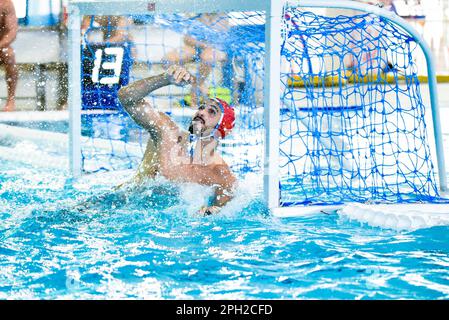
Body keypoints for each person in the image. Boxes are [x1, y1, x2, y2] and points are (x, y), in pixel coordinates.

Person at [117, 65, 236, 216]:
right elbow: (126, 98)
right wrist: (164, 79)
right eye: (201, 107)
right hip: (121, 204)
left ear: (222, 129)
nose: (201, 112)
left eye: (211, 111)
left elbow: (222, 213)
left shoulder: (222, 177)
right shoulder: (167, 132)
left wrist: (209, 213)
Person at [164, 13, 228, 106]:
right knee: (168, 59)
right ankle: (195, 83)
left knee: (208, 57)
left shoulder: (222, 17)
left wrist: (207, 46)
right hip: (196, 47)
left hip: (215, 49)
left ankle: (195, 89)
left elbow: (221, 42)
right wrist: (202, 45)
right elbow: (187, 39)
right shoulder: (197, 13)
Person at [0, 0, 18, 112]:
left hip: (1, 46)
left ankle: (11, 100)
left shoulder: (5, 3)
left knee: (9, 54)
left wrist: (0, 45)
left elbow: (12, 31)